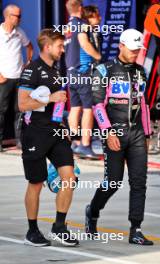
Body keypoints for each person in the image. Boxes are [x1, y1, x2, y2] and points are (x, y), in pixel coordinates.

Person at [85, 29, 154, 246]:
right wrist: (107, 132)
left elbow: (143, 104)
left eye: (138, 50)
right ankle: (93, 211)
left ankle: (136, 228)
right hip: (114, 132)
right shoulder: (103, 70)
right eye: (133, 49)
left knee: (139, 182)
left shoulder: (141, 71)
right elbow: (97, 105)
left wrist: (147, 133)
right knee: (113, 182)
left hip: (136, 134)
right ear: (121, 46)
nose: (135, 53)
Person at [18, 29, 79, 247]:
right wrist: (50, 98)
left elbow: (57, 105)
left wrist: (64, 127)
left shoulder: (56, 71)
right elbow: (23, 104)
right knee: (35, 183)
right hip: (34, 132)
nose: (63, 50)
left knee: (69, 179)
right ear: (47, 47)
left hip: (56, 131)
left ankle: (59, 226)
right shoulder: (31, 70)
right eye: (60, 46)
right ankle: (32, 231)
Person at [65, 0, 101, 158]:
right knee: (88, 109)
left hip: (71, 72)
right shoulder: (80, 24)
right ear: (80, 8)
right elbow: (84, 43)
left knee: (75, 108)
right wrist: (98, 56)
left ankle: (75, 143)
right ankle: (86, 144)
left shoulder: (68, 26)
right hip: (83, 71)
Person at [0, 4, 33, 151]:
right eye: (17, 16)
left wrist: (28, 62)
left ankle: (21, 141)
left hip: (19, 78)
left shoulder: (20, 32)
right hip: (4, 78)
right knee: (1, 110)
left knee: (20, 110)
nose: (20, 19)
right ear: (7, 16)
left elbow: (29, 46)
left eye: (20, 16)